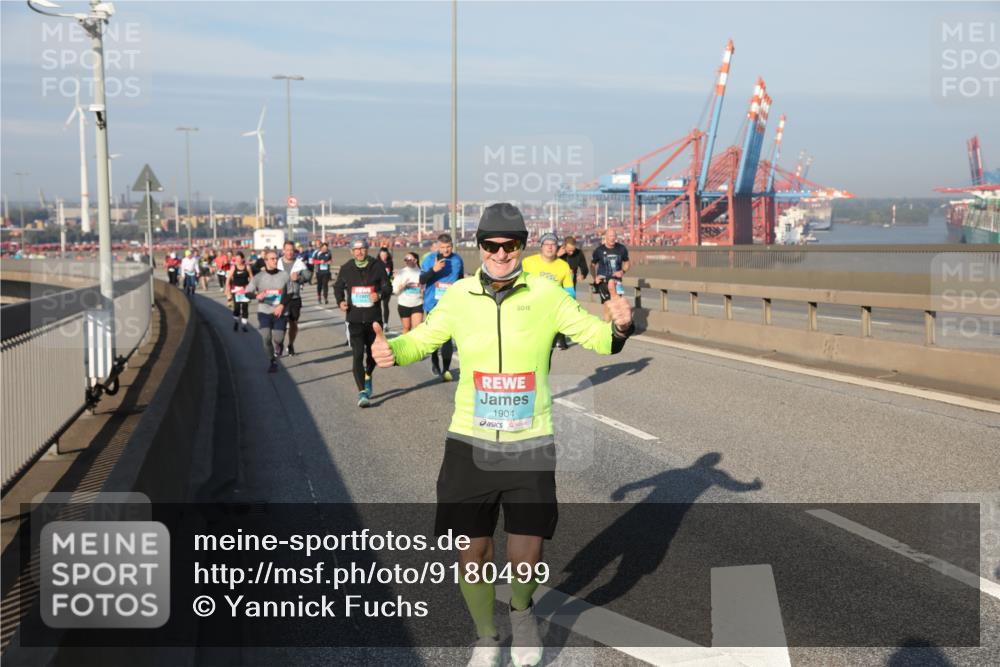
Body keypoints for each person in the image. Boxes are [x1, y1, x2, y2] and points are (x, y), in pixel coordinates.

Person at [371, 203, 634, 667]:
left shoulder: (547, 294)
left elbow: (598, 338)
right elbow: (423, 340)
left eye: (509, 245)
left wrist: (620, 325)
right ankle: (488, 637)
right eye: (491, 245)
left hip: (529, 439)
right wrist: (390, 349)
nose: (499, 253)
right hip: (469, 441)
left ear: (522, 246)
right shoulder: (457, 296)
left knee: (526, 547)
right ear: (479, 247)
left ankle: (522, 612)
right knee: (472, 547)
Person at [334, 238, 388, 407]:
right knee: (357, 354)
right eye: (355, 249)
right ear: (351, 252)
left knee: (373, 355)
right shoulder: (346, 268)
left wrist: (379, 295)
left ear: (367, 249)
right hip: (354, 319)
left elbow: (388, 287)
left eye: (362, 249)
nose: (359, 252)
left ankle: (368, 375)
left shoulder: (377, 266)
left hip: (373, 318)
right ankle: (362, 392)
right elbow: (337, 287)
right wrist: (340, 301)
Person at [419, 233, 463, 381]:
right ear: (437, 247)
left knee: (447, 339)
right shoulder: (429, 259)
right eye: (443, 247)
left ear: (452, 245)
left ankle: (445, 369)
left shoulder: (457, 260)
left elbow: (461, 280)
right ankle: (434, 361)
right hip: (432, 304)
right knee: (434, 337)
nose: (446, 250)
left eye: (449, 247)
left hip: (451, 305)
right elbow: (421, 279)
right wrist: (434, 270)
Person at [523, 233, 575, 351]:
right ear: (541, 246)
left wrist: (567, 306)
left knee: (546, 352)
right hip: (531, 312)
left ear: (557, 247)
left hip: (551, 315)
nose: (550, 247)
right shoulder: (528, 262)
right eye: (547, 244)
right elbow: (519, 285)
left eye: (553, 244)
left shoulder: (564, 266)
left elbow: (570, 291)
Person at [245, 249, 291, 373]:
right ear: (265, 261)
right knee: (266, 337)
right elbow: (247, 292)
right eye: (272, 259)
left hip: (280, 311)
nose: (275, 261)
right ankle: (272, 361)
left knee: (278, 338)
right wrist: (256, 296)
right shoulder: (259, 277)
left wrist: (282, 305)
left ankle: (280, 345)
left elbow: (290, 293)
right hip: (264, 311)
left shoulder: (284, 275)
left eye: (276, 258)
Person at [590, 228, 630, 322]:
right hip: (603, 282)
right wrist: (595, 277)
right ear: (606, 237)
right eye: (610, 236)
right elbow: (592, 265)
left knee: (617, 306)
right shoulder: (599, 250)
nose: (612, 238)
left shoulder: (621, 249)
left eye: (614, 236)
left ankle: (616, 326)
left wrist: (622, 271)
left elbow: (627, 263)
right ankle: (608, 327)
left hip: (617, 282)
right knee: (608, 305)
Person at [278, 240, 309, 356]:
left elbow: (308, 276)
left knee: (293, 324)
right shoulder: (277, 262)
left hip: (294, 298)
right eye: (287, 250)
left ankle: (290, 344)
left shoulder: (299, 263)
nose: (290, 252)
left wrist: (299, 278)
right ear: (283, 250)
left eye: (292, 250)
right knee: (280, 324)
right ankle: (279, 343)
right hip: (280, 298)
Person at [391, 252, 424, 333]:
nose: (406, 261)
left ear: (415, 260)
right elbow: (394, 290)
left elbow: (426, 287)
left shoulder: (422, 272)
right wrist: (402, 286)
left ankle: (416, 345)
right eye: (405, 259)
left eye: (408, 259)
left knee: (417, 328)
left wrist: (423, 292)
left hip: (418, 303)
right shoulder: (401, 273)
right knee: (406, 328)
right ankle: (406, 345)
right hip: (404, 304)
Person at [225, 251, 253, 332]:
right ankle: (236, 322)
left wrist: (252, 287)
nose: (237, 260)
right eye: (236, 259)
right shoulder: (234, 267)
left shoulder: (247, 267)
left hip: (245, 289)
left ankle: (244, 325)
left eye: (238, 259)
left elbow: (251, 278)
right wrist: (227, 289)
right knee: (237, 308)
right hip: (236, 290)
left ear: (242, 259)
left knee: (245, 308)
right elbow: (228, 278)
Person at [377, 246, 394, 332]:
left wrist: (392, 279)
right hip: (378, 287)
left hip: (387, 287)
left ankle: (386, 324)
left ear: (388, 255)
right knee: (377, 306)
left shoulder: (390, 263)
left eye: (385, 254)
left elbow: (390, 274)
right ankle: (378, 322)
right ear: (379, 255)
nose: (383, 256)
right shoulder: (376, 263)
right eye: (382, 254)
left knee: (386, 305)